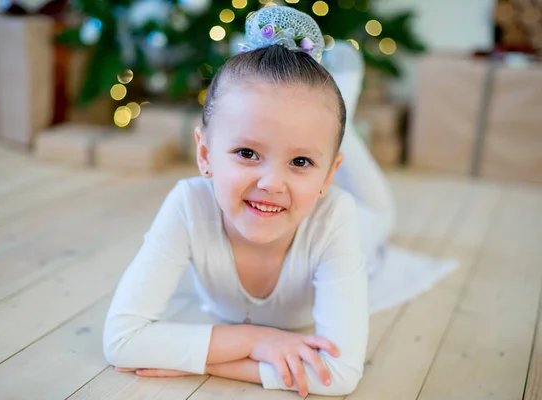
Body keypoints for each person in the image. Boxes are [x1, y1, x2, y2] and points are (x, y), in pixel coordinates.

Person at [103, 5, 455, 397]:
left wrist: (200, 358)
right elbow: (121, 340)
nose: (271, 183)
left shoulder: (337, 215)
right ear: (205, 155)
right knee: (309, 133)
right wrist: (259, 341)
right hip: (307, 197)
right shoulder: (187, 204)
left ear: (328, 175)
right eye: (247, 153)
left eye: (300, 161)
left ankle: (343, 126)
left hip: (361, 227)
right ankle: (324, 131)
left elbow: (339, 374)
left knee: (381, 216)